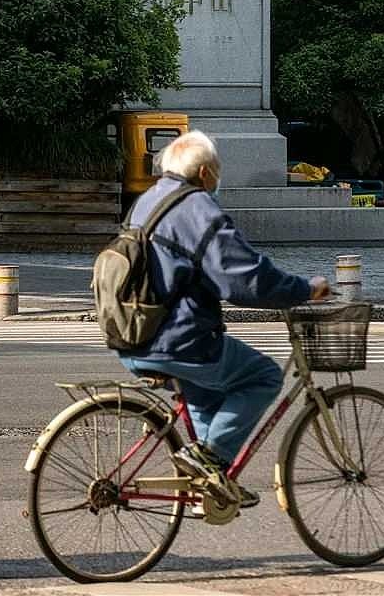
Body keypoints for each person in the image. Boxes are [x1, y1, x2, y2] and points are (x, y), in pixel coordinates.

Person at [118, 130, 330, 507]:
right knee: (262, 376)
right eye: (215, 171)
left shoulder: (146, 202)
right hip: (178, 339)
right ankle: (208, 459)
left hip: (133, 334)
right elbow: (244, 277)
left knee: (206, 394)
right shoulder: (197, 208)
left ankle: (212, 482)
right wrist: (302, 289)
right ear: (204, 174)